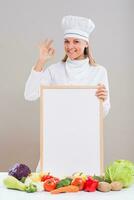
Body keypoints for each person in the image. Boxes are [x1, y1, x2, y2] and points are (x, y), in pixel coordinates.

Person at [24, 15, 110, 117]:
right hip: (57, 130)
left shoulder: (99, 72)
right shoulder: (54, 70)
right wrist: (41, 60)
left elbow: (102, 114)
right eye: (67, 41)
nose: (70, 46)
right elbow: (30, 95)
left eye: (76, 41)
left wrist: (103, 101)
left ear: (86, 43)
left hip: (86, 131)